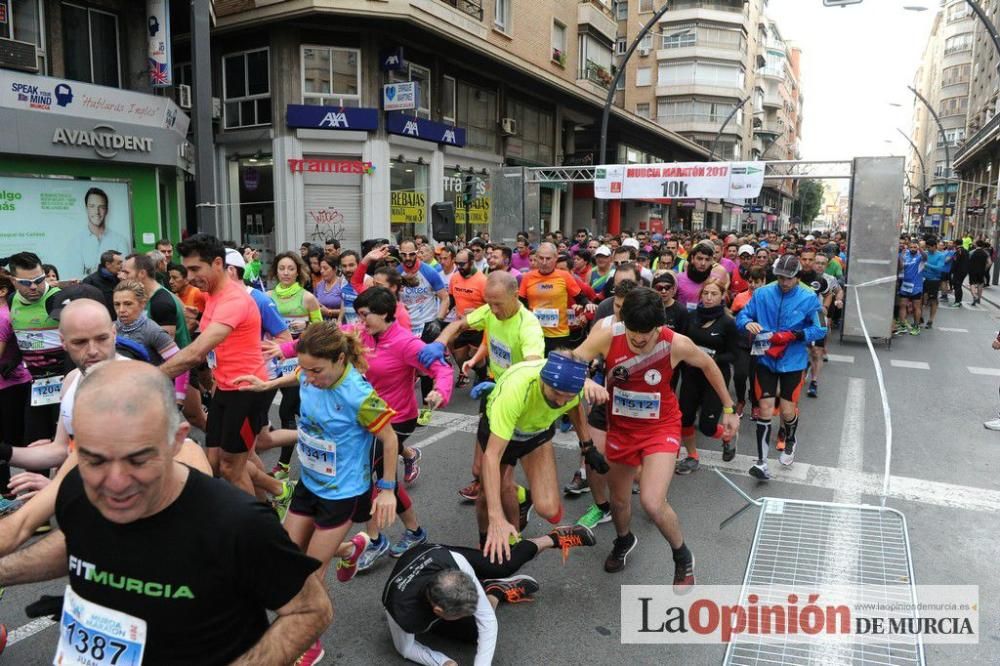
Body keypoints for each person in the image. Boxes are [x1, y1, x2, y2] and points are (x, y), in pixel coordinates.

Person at [0, 360, 333, 665]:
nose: (114, 483)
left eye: (138, 459)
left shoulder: (235, 522)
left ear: (177, 439)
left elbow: (310, 610)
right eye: (95, 459)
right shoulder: (78, 487)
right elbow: (80, 539)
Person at [573, 287, 737, 582]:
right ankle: (624, 540)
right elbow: (571, 361)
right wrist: (585, 381)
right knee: (620, 502)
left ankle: (682, 554)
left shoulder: (676, 343)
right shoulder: (608, 335)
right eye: (633, 332)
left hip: (660, 428)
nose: (637, 340)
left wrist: (728, 407)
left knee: (651, 501)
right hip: (621, 429)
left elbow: (709, 365)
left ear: (659, 326)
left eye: (645, 335)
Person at [158, 234, 281, 497]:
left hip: (248, 391)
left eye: (195, 269)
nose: (189, 276)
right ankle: (279, 492)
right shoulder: (210, 293)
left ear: (216, 263)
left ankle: (260, 526)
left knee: (231, 468)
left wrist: (151, 376)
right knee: (215, 463)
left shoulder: (233, 299)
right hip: (224, 388)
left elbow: (197, 352)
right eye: (186, 269)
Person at [429, 271, 546, 503]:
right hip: (493, 390)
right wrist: (439, 343)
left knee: (499, 479)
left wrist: (509, 386)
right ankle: (519, 497)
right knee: (478, 470)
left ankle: (517, 507)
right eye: (488, 303)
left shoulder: (528, 326)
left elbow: (534, 366)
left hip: (518, 400)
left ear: (515, 295)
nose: (492, 310)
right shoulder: (491, 309)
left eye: (497, 304)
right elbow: (460, 324)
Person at [479, 352, 607, 563]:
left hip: (536, 434)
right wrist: (496, 518)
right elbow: (492, 456)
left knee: (549, 509)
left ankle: (522, 497)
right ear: (542, 379)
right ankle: (489, 537)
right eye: (555, 393)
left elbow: (574, 405)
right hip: (503, 433)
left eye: (567, 395)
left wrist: (587, 446)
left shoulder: (569, 389)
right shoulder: (517, 390)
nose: (559, 401)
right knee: (489, 495)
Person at [736, 254, 826, 480]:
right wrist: (748, 323)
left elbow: (821, 329)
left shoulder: (809, 297)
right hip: (765, 357)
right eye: (780, 278)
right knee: (764, 409)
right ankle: (761, 462)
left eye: (789, 278)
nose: (784, 282)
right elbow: (742, 315)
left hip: (793, 362)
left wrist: (796, 334)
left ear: (797, 277)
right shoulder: (763, 293)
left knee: (787, 411)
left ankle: (790, 439)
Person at [674, 280, 740, 473]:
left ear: (722, 297)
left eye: (714, 294)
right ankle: (692, 456)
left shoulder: (728, 323)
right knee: (685, 419)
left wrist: (711, 357)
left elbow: (734, 355)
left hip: (715, 377)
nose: (709, 298)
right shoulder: (691, 316)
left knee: (707, 426)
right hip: (691, 375)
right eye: (706, 294)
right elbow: (681, 341)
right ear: (700, 296)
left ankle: (726, 435)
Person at [9, 252, 64, 444]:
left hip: (63, 381)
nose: (34, 287)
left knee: (67, 447)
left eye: (39, 280)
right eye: (25, 282)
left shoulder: (57, 299)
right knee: (34, 444)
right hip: (34, 384)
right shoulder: (11, 301)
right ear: (13, 281)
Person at [518, 242, 589, 354]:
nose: (544, 262)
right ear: (536, 258)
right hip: (535, 333)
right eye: (541, 258)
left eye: (548, 258)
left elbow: (581, 298)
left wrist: (586, 309)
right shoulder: (527, 277)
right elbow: (521, 304)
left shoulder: (564, 276)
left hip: (559, 335)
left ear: (555, 258)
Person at [0, 273, 33, 500]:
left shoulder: (3, 317)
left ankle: (6, 494)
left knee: (7, 443)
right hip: (12, 385)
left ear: (2, 291)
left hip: (9, 388)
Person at [121, 253, 191, 349]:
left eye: (127, 273)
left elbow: (165, 347)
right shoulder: (148, 296)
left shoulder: (161, 303)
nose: (123, 277)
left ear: (142, 273)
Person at [65, 187, 130, 278]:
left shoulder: (120, 240)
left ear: (106, 210)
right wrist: (109, 270)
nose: (97, 212)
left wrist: (89, 270)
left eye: (101, 207)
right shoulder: (76, 242)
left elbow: (124, 272)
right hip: (87, 291)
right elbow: (75, 277)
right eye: (92, 206)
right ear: (86, 208)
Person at [895, 240, 926, 335]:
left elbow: (925, 257)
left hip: (916, 286)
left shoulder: (920, 256)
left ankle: (916, 326)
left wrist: (920, 248)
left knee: (916, 307)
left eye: (915, 247)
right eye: (911, 247)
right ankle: (902, 325)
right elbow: (900, 268)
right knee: (902, 305)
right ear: (908, 247)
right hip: (905, 285)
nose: (913, 249)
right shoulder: (905, 255)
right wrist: (900, 257)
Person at [81, 250, 123, 320]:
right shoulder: (90, 281)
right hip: (101, 321)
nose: (121, 266)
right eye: (118, 263)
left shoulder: (120, 278)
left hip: (120, 321)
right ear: (108, 264)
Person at [920, 237, 949, 329]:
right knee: (920, 299)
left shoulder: (941, 255)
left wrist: (927, 265)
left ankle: (930, 320)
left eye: (929, 247)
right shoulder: (925, 254)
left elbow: (939, 268)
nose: (927, 249)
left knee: (933, 300)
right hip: (923, 279)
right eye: (926, 247)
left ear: (934, 246)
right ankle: (920, 316)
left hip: (934, 280)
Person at [314, 255, 343, 320]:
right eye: (321, 268)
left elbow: (348, 309)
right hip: (322, 324)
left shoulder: (342, 285)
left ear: (335, 269)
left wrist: (329, 312)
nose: (321, 271)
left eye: (325, 268)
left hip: (340, 323)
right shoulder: (319, 285)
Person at [969, 240, 990, 306]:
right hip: (981, 271)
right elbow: (989, 262)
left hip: (972, 270)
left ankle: (974, 296)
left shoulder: (972, 252)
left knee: (972, 284)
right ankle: (978, 299)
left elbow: (968, 261)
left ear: (976, 245)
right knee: (980, 284)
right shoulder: (986, 253)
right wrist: (985, 269)